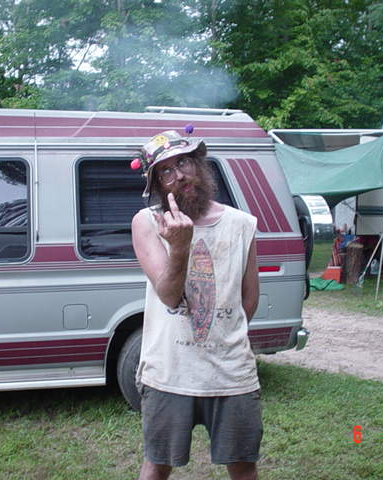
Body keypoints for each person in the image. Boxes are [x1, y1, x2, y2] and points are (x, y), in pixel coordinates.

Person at [130, 129, 262, 480]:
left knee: (244, 467)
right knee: (156, 466)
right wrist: (180, 246)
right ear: (158, 185)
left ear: (200, 165)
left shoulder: (241, 224)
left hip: (232, 374)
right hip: (169, 372)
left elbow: (248, 299)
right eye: (166, 171)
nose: (179, 175)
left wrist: (222, 335)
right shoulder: (148, 223)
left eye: (184, 163)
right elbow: (169, 295)